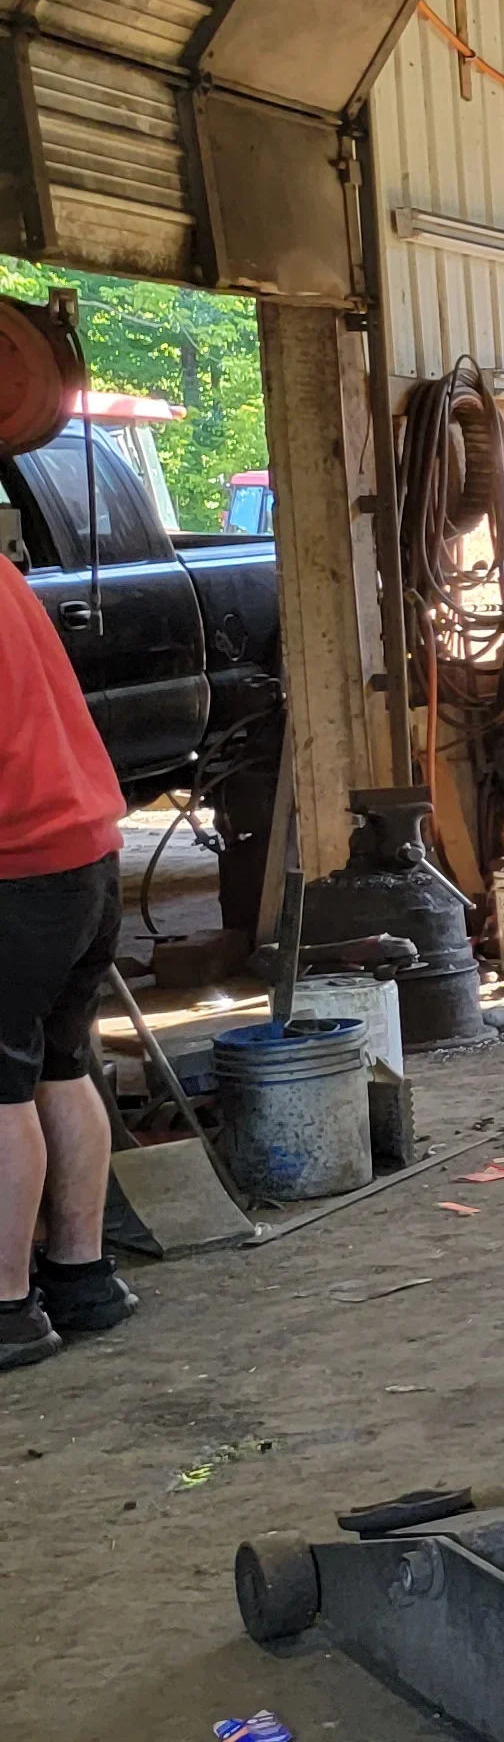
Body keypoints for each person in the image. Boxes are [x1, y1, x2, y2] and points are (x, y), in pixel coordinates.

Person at [0, 553, 137, 1368]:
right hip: (87, 855)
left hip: (15, 866)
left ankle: (8, 1309)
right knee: (58, 1059)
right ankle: (82, 1279)